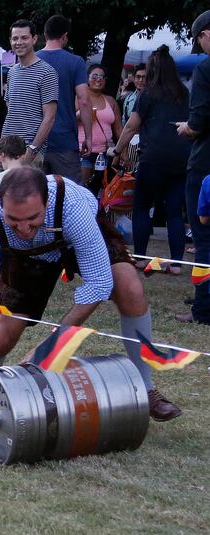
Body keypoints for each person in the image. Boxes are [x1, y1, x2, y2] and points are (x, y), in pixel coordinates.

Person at [0, 167, 181, 423]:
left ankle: (146, 388)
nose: (24, 228)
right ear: (1, 204)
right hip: (29, 257)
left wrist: (51, 347)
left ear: (46, 203)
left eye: (32, 218)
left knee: (129, 287)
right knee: (2, 335)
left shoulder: (73, 208)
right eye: (14, 220)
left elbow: (99, 283)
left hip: (77, 238)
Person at [112, 46, 190, 274]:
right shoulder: (184, 93)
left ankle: (140, 258)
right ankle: (177, 263)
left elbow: (130, 127)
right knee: (174, 212)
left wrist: (117, 152)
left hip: (153, 157)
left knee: (141, 207)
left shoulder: (148, 94)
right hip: (180, 159)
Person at [176, 9, 210, 324]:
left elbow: (199, 122)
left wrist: (186, 127)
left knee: (203, 236)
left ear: (205, 34)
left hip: (206, 163)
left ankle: (203, 308)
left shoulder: (205, 69)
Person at [36, 15, 91, 183]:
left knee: (35, 197)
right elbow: (84, 100)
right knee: (69, 195)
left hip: (34, 142)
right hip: (65, 142)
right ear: (65, 36)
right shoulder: (75, 62)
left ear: (45, 35)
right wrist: (88, 137)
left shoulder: (31, 61)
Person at [1, 19, 58, 168]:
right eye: (15, 38)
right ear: (10, 41)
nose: (18, 42)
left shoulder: (47, 72)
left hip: (27, 150)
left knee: (24, 191)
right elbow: (11, 107)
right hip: (4, 148)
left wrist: (32, 150)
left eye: (24, 37)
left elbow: (50, 118)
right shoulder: (12, 72)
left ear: (34, 39)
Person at [77, 64, 122, 193]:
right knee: (83, 190)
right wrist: (82, 113)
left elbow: (118, 128)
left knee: (100, 191)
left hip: (105, 154)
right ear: (87, 78)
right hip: (83, 152)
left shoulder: (111, 101)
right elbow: (69, 121)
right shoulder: (80, 98)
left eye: (102, 77)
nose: (98, 79)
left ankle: (98, 212)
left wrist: (122, 152)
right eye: (95, 76)